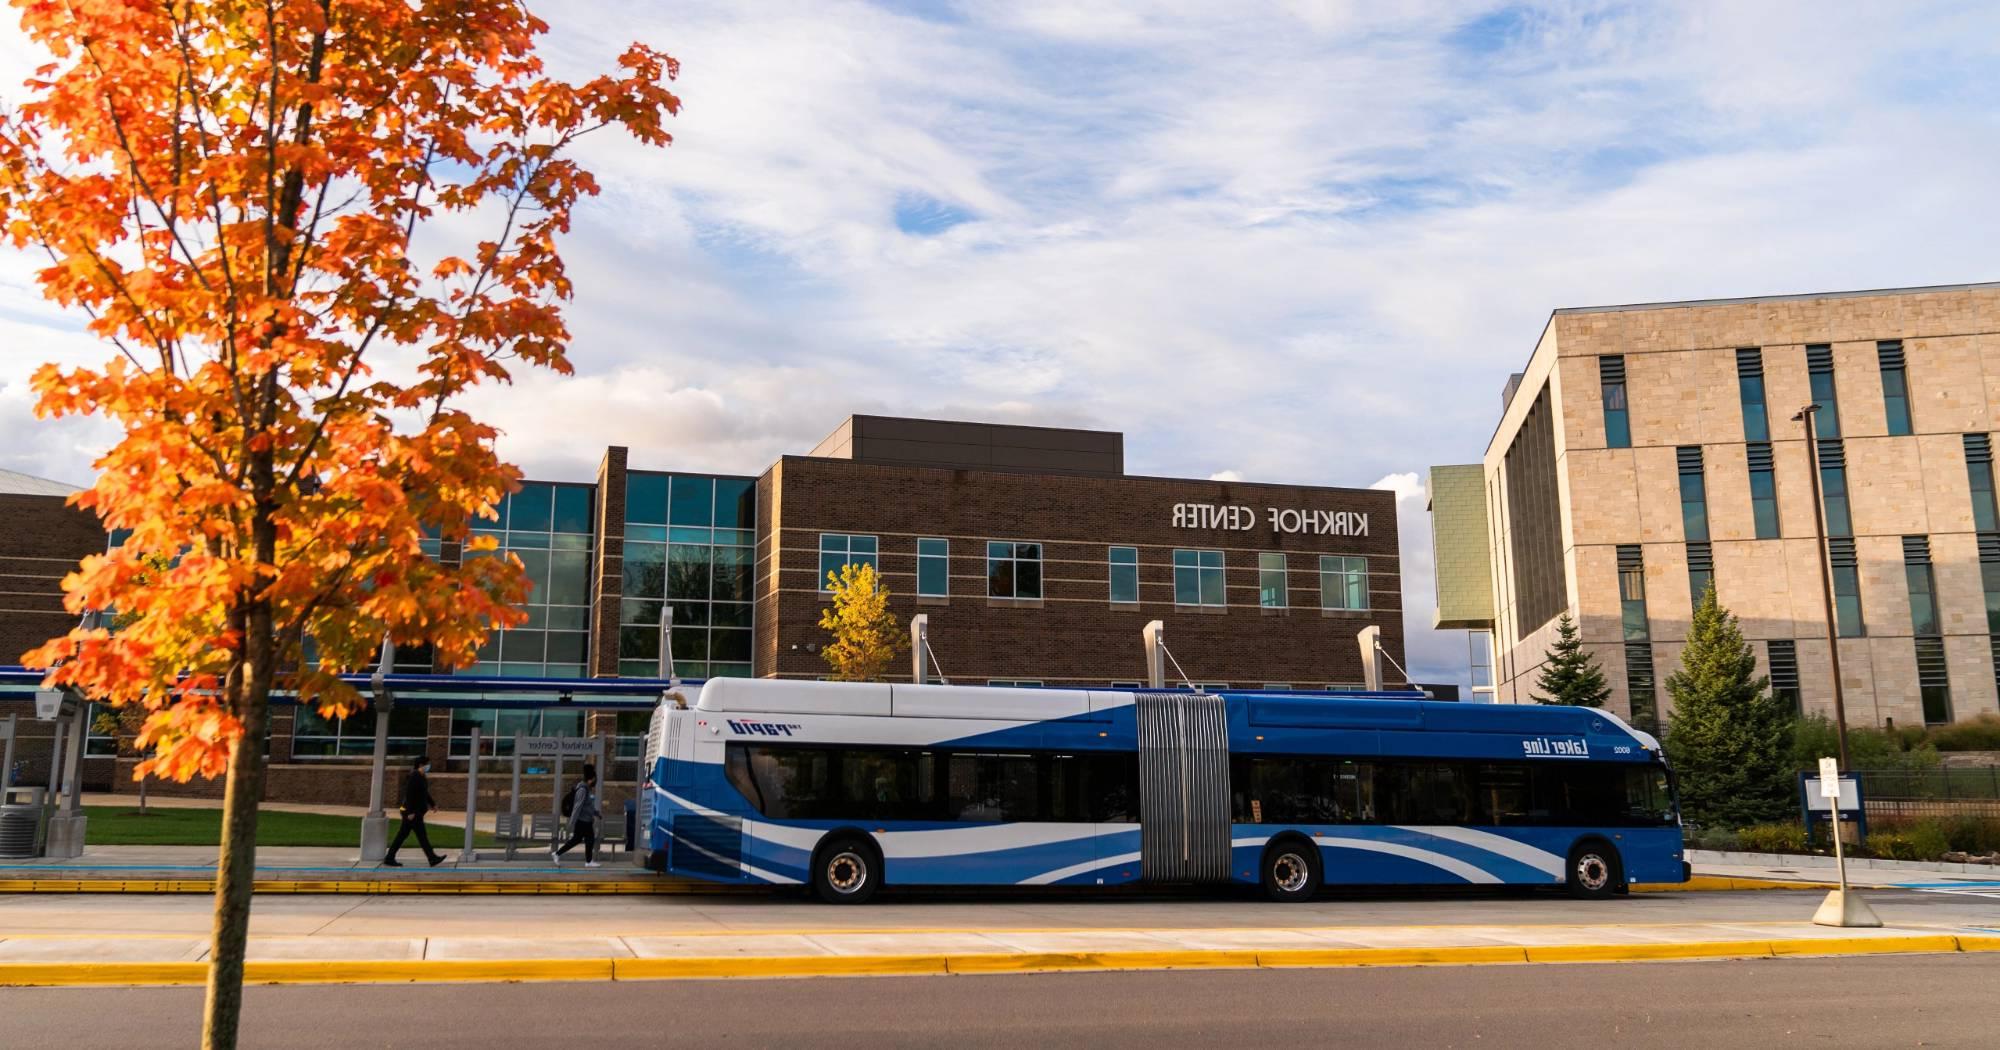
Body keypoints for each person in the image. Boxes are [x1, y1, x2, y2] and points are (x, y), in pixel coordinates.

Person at [384, 754, 446, 868]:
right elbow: (410, 794)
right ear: (421, 765)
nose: (429, 766)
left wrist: (433, 804)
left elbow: (424, 793)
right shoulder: (415, 776)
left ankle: (389, 857)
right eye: (428, 764)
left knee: (403, 835)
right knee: (421, 836)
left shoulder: (421, 776)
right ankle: (432, 858)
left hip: (415, 812)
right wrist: (410, 812)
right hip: (412, 813)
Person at [552, 764, 602, 868]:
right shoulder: (582, 790)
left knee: (577, 840)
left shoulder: (586, 789)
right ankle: (588, 861)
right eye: (594, 779)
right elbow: (577, 807)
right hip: (583, 821)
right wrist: (572, 822)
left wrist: (596, 813)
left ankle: (557, 854)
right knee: (589, 839)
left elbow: (588, 806)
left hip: (585, 820)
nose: (595, 782)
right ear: (590, 779)